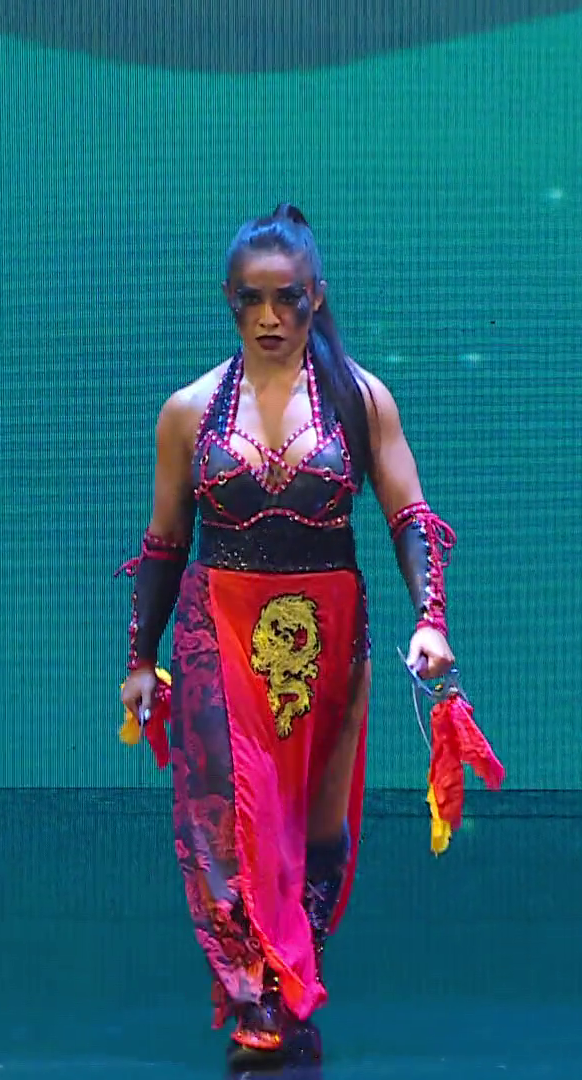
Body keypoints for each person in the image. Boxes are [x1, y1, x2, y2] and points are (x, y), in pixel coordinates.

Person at [116, 203, 462, 1071]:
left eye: (288, 299)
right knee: (230, 818)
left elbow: (409, 513)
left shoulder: (360, 402)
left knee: (313, 821)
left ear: (317, 298)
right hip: (219, 634)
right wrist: (140, 660)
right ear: (228, 300)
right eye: (252, 299)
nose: (270, 317)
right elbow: (164, 541)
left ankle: (294, 980)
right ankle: (253, 998)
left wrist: (430, 618)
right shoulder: (189, 411)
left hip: (328, 636)